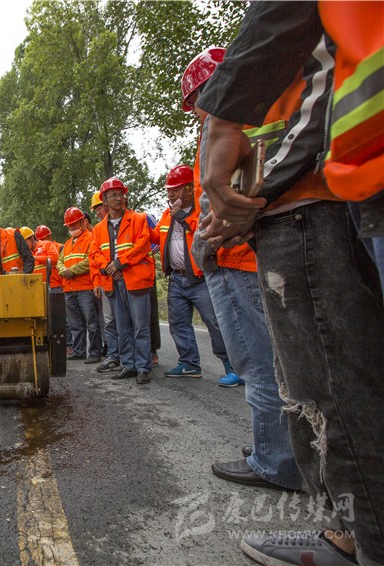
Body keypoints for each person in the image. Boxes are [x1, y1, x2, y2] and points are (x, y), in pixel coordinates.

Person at [196, 3, 384, 562]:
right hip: (334, 193)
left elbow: (310, 106)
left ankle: (362, 539)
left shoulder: (288, 73)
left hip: (309, 205)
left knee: (329, 390)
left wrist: (250, 196)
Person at [180, 46, 305, 498]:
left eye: (196, 101)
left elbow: (222, 201)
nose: (197, 112)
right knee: (278, 359)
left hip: (233, 260)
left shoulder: (224, 124)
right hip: (256, 256)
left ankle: (275, 461)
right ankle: (288, 452)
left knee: (256, 360)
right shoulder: (268, 110)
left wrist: (206, 246)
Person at [152, 165, 238, 383]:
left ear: (190, 188)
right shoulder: (167, 214)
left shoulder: (202, 209)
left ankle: (234, 367)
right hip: (176, 278)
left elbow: (205, 231)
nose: (171, 194)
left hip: (202, 278)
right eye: (169, 190)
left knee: (215, 323)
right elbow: (156, 236)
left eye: (175, 189)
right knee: (178, 324)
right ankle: (189, 364)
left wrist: (182, 216)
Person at [89, 177, 155, 385]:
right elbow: (94, 254)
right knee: (122, 326)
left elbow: (143, 245)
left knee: (140, 326)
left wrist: (119, 263)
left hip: (135, 280)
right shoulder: (99, 229)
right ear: (105, 200)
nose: (119, 198)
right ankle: (129, 365)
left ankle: (143, 367)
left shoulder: (138, 219)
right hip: (113, 282)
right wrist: (108, 267)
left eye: (121, 194)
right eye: (114, 195)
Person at [58, 207, 103, 364]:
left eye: (74, 224)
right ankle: (79, 351)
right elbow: (59, 261)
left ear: (82, 222)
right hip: (69, 288)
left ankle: (95, 352)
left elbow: (90, 261)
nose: (71, 228)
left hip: (85, 287)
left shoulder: (91, 238)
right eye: (69, 225)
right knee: (75, 324)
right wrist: (63, 270)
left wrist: (71, 271)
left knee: (92, 323)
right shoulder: (67, 244)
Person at [88, 196, 119, 373]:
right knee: (109, 321)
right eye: (96, 210)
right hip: (107, 281)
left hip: (125, 278)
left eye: (99, 208)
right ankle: (114, 356)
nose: (98, 212)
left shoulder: (124, 222)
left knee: (126, 321)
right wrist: (97, 282)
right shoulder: (98, 230)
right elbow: (94, 259)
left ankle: (130, 357)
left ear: (106, 205)